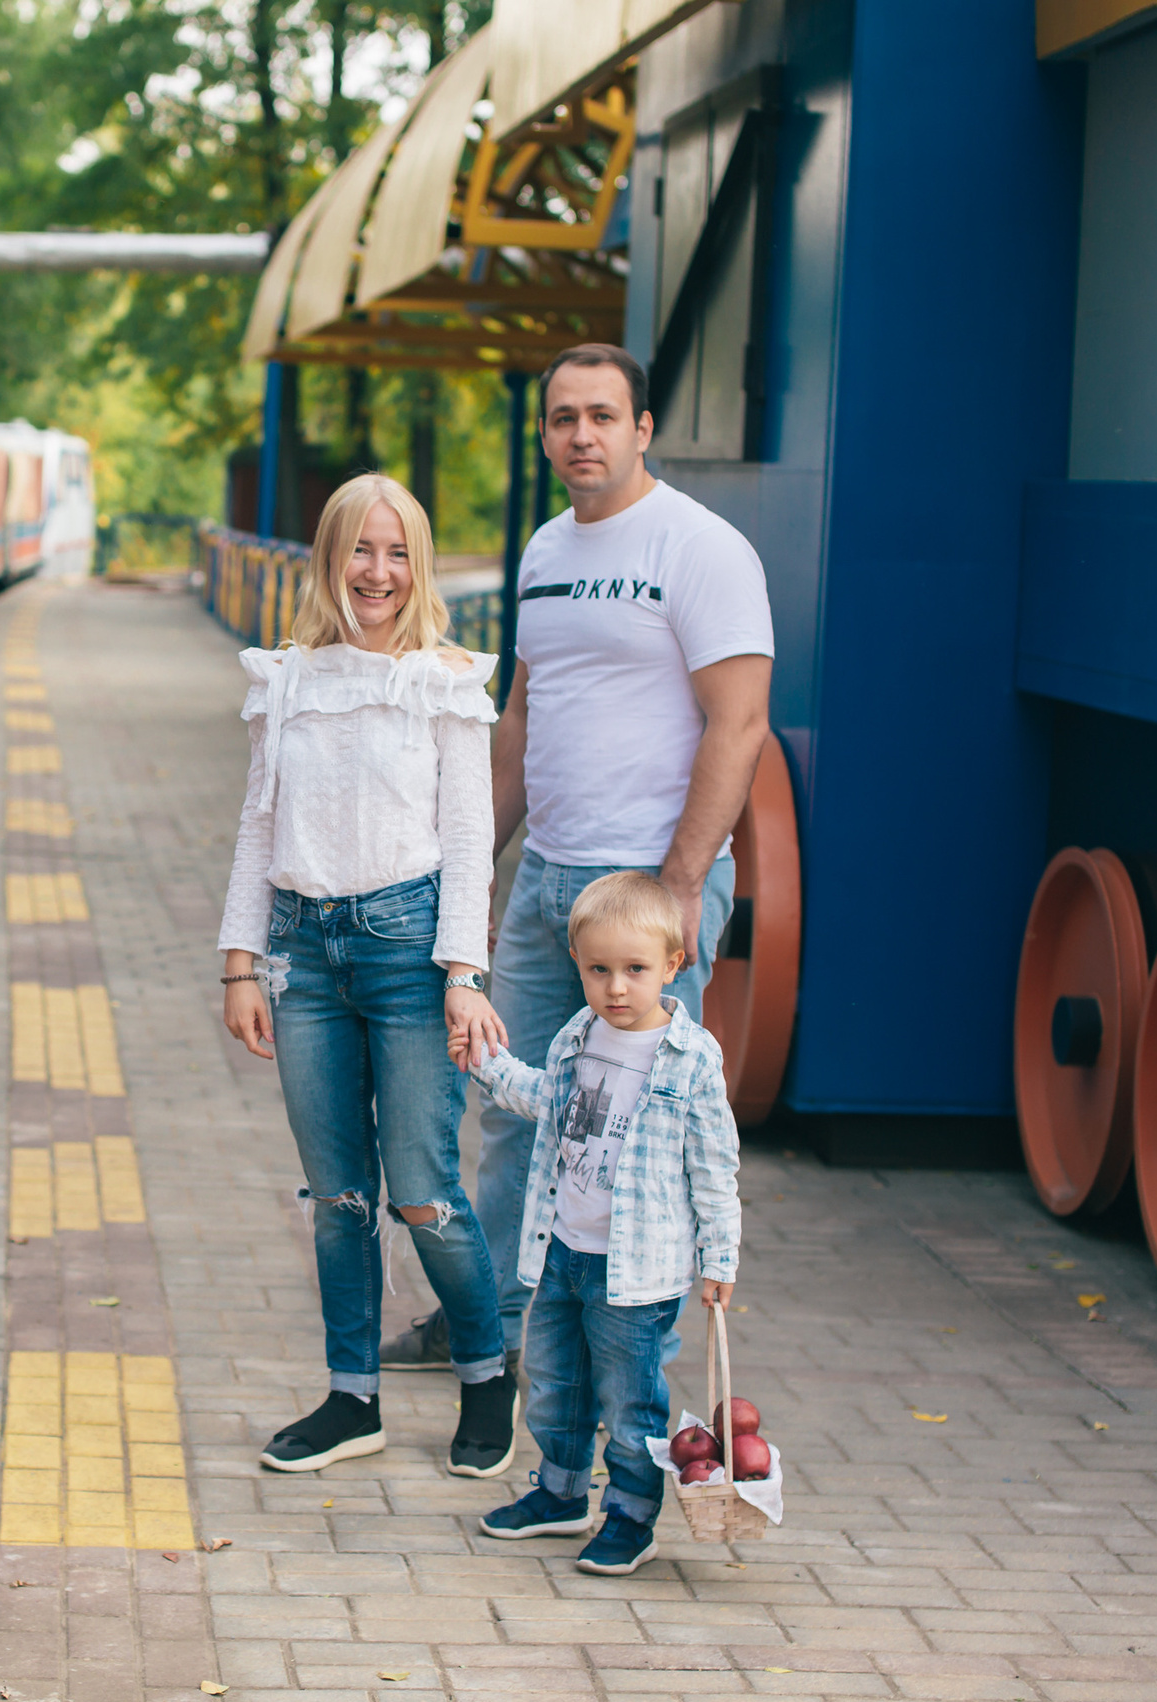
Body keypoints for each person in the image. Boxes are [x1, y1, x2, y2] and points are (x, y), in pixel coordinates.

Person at [380, 343, 772, 1374]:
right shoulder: (545, 553)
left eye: (602, 415)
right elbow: (522, 718)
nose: (581, 435)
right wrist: (465, 867)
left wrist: (682, 887)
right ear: (545, 432)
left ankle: (622, 1349)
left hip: (646, 888)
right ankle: (496, 1328)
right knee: (508, 1106)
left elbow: (739, 726)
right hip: (546, 876)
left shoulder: (702, 548)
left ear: (643, 428)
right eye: (563, 418)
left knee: (636, 1130)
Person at [218, 472, 518, 1477]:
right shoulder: (287, 678)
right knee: (338, 1196)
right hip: (303, 956)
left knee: (425, 1193)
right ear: (329, 560)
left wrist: (464, 974)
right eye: (360, 549)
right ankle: (353, 1400)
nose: (377, 571)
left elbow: (471, 840)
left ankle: (485, 1375)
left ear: (415, 566)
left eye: (396, 553)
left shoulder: (442, 682)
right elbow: (258, 825)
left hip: (408, 953)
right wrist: (240, 965)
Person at [455, 871, 740, 1574]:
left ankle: (632, 1516)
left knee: (631, 1399)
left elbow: (713, 1165)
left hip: (635, 1270)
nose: (617, 987)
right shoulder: (578, 1037)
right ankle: (560, 1492)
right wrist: (485, 1063)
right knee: (553, 1380)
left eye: (636, 969)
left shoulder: (691, 1058)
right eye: (599, 970)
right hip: (563, 1251)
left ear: (675, 963)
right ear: (578, 967)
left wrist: (719, 1258)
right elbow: (542, 1100)